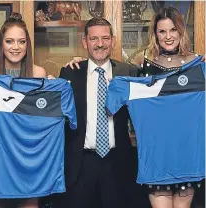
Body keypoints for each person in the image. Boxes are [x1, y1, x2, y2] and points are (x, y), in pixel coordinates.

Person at [65, 7, 205, 208]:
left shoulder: (198, 66)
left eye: (173, 30)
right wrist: (81, 63)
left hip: (187, 153)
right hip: (155, 156)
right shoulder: (141, 66)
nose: (168, 36)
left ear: (181, 31)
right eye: (162, 31)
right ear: (155, 35)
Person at [58, 17, 149, 208]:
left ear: (113, 41)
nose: (100, 44)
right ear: (84, 42)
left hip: (118, 164)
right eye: (94, 39)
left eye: (105, 38)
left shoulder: (130, 72)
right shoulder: (69, 73)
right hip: (80, 165)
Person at [0, 12, 46, 208]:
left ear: (28, 45)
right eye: (10, 41)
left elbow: (43, 117)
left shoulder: (38, 73)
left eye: (21, 42)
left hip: (28, 152)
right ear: (1, 44)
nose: (16, 47)